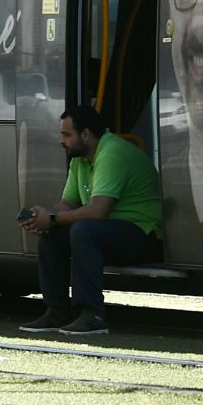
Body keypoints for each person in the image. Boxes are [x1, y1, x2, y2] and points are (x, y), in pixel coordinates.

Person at [17, 106, 163, 336]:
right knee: (54, 233)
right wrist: (44, 219)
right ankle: (57, 311)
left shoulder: (111, 152)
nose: (61, 140)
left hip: (144, 235)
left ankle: (91, 315)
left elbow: (98, 212)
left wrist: (53, 218)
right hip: (109, 233)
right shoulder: (80, 159)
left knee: (83, 231)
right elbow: (67, 204)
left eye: (66, 135)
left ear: (85, 134)